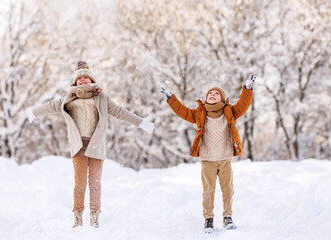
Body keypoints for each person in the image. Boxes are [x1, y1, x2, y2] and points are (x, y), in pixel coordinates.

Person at [27, 61, 154, 228]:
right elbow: (50, 106)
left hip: (96, 146)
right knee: (80, 184)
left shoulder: (102, 98)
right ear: (75, 82)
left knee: (95, 184)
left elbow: (121, 112)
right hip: (78, 147)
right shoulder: (68, 99)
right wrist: (33, 112)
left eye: (86, 77)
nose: (83, 80)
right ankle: (77, 218)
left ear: (91, 79)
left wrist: (140, 122)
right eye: (79, 78)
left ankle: (94, 218)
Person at [160, 75, 256, 233]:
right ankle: (208, 219)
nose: (212, 95)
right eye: (210, 93)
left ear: (222, 99)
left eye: (216, 93)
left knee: (228, 189)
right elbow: (183, 111)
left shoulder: (230, 111)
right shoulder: (199, 113)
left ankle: (227, 217)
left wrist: (247, 89)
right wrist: (171, 99)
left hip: (225, 159)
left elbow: (243, 105)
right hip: (207, 160)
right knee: (208, 191)